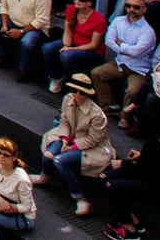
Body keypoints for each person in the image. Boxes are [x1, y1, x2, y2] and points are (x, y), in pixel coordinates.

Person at [36, 74, 114, 217]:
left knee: (59, 161)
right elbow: (64, 122)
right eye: (74, 90)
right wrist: (65, 140)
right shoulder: (68, 99)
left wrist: (71, 147)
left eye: (82, 92)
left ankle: (81, 199)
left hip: (90, 148)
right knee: (49, 153)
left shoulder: (97, 115)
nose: (77, 95)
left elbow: (92, 140)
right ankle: (44, 177)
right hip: (69, 136)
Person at [100, 122, 160, 240]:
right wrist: (141, 157)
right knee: (104, 177)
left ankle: (129, 230)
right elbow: (152, 164)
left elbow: (144, 172)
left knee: (113, 186)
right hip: (155, 178)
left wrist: (123, 163)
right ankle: (134, 220)